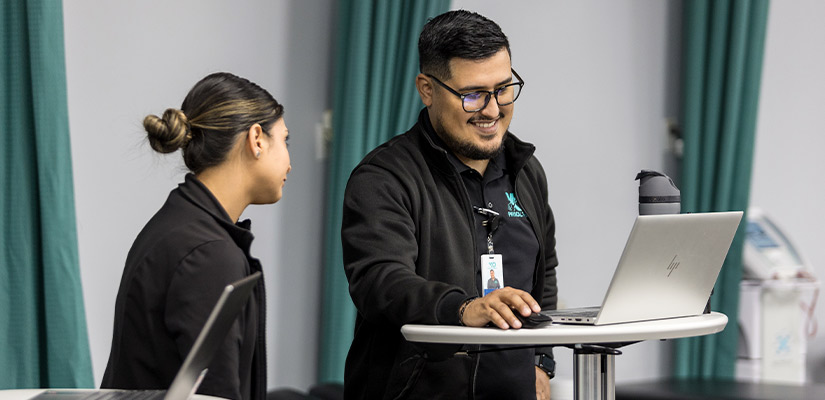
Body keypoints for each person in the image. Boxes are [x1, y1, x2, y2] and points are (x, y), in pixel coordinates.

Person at [341, 10, 558, 400]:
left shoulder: (526, 171)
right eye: (472, 95)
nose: (492, 110)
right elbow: (381, 282)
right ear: (427, 89)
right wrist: (461, 309)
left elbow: (544, 274)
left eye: (504, 88)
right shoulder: (384, 177)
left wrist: (541, 362)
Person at [101, 72, 290, 400]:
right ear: (257, 139)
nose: (290, 163)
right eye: (285, 140)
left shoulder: (178, 224)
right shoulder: (208, 254)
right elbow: (216, 395)